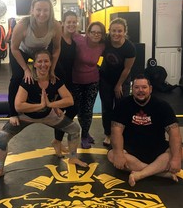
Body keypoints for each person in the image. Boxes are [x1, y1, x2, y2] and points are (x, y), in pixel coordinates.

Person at [0, 50, 88, 183]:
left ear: (51, 63)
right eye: (39, 61)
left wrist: (51, 104)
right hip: (26, 116)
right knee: (1, 138)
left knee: (74, 129)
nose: (43, 64)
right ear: (34, 64)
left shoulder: (55, 80)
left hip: (48, 115)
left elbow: (69, 100)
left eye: (46, 61)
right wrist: (40, 106)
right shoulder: (28, 81)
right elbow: (18, 106)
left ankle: (73, 157)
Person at [107, 74, 183, 187]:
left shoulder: (162, 106)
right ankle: (160, 173)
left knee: (181, 152)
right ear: (132, 89)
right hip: (131, 149)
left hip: (156, 148)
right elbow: (116, 131)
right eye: (137, 87)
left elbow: (175, 134)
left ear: (150, 89)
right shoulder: (123, 105)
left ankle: (140, 174)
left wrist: (176, 158)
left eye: (144, 87)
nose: (140, 90)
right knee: (112, 155)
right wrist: (119, 154)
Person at [8, 0, 62, 128]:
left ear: (50, 11)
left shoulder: (55, 25)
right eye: (38, 10)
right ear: (32, 10)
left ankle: (54, 105)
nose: (42, 14)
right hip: (21, 51)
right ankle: (12, 112)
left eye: (46, 10)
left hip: (41, 51)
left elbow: (56, 48)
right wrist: (26, 69)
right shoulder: (22, 25)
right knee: (17, 77)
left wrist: (52, 69)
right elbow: (14, 48)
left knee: (59, 73)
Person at [99, 17, 136, 146]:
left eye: (119, 31)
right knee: (107, 108)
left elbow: (127, 68)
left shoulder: (129, 47)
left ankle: (120, 133)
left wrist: (119, 85)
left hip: (122, 80)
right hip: (105, 79)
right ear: (109, 31)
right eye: (113, 31)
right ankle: (108, 134)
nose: (116, 33)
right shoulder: (106, 41)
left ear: (124, 32)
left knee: (121, 107)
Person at [72, 21, 106, 149]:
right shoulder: (78, 40)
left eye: (99, 32)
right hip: (76, 81)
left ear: (102, 34)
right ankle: (85, 131)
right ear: (88, 32)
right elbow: (65, 31)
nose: (96, 34)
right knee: (80, 110)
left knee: (88, 110)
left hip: (93, 81)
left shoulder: (102, 46)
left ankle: (85, 135)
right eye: (93, 32)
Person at [52, 11, 78, 157]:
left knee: (74, 108)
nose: (71, 24)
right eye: (69, 22)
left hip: (69, 81)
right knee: (61, 112)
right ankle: (57, 141)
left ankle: (57, 140)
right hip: (58, 81)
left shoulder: (73, 43)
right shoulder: (57, 40)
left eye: (74, 22)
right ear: (63, 23)